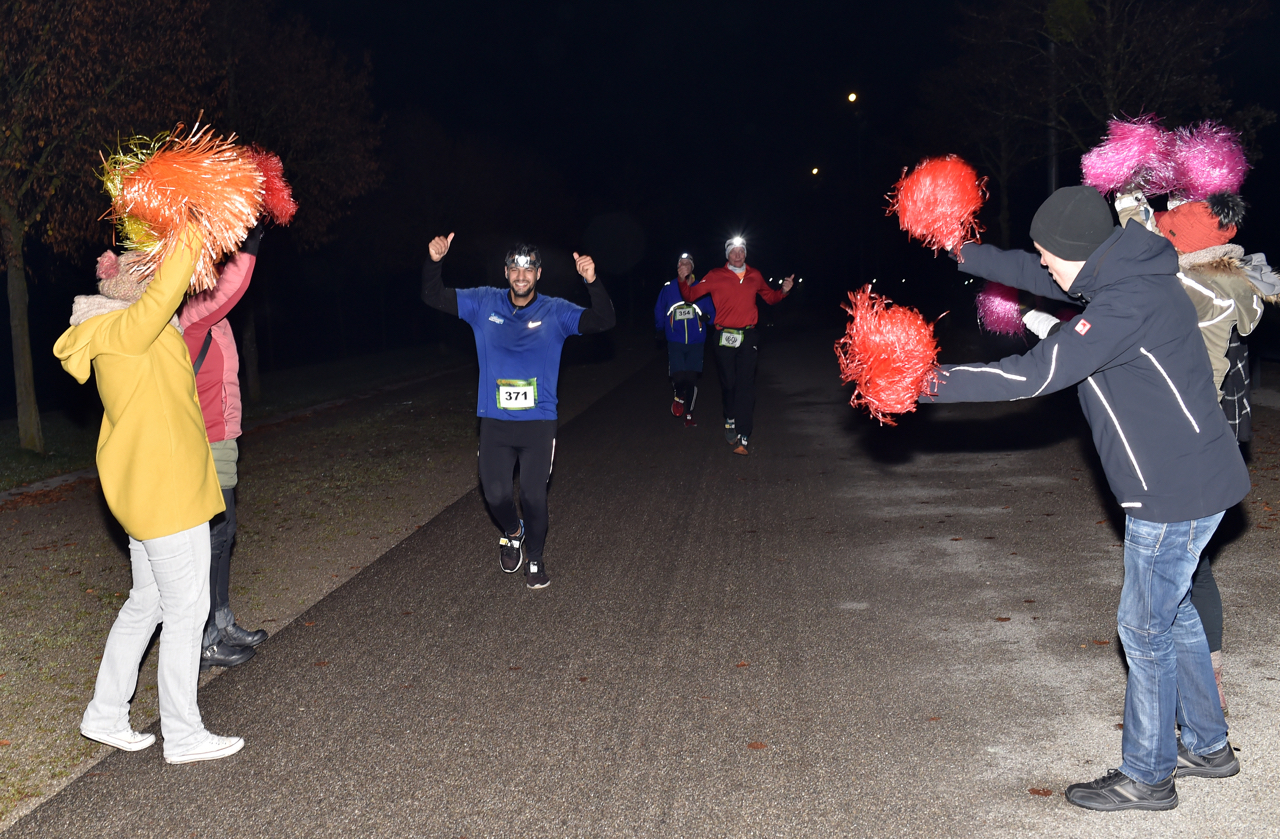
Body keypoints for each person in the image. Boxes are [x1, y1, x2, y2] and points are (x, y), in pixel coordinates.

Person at [930, 186, 1247, 811]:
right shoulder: (1124, 264)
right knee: (1175, 614)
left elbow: (1033, 374)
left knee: (1144, 628)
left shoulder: (1126, 300)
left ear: (1079, 251)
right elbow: (1026, 269)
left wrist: (921, 381)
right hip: (1194, 480)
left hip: (1172, 492)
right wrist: (962, 251)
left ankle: (1148, 777)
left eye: (1050, 255)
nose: (1041, 264)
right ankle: (1208, 746)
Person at [54, 228, 245, 764]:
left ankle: (105, 712)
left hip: (161, 485)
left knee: (150, 601)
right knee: (188, 605)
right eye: (149, 269)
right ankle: (183, 733)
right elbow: (166, 292)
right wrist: (187, 229)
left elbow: (176, 300)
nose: (158, 278)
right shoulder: (123, 329)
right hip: (162, 490)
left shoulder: (140, 328)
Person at [1119, 192, 1280, 714]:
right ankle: (1207, 683)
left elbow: (1138, 257)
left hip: (1182, 443)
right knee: (1193, 566)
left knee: (1176, 575)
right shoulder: (1227, 280)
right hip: (1212, 439)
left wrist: (1129, 208)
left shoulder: (1188, 289)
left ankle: (1192, 694)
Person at [420, 234, 615, 589]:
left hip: (538, 422)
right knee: (494, 494)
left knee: (532, 495)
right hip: (495, 421)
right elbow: (433, 296)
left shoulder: (555, 311)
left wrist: (592, 281)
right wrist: (434, 262)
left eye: (528, 269)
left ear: (538, 274)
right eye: (515, 268)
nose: (521, 275)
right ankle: (513, 531)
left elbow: (603, 320)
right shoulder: (484, 303)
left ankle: (537, 557)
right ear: (506, 272)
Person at [179, 223, 270, 671]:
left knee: (225, 534)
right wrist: (249, 246)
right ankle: (205, 638)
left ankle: (221, 618)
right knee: (211, 540)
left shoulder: (212, 320)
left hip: (224, 439)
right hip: (205, 443)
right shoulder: (193, 318)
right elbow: (231, 289)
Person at [679, 236, 793, 455]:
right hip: (724, 335)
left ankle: (743, 434)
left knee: (746, 385)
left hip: (748, 335)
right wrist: (683, 278)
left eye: (742, 251)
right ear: (727, 255)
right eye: (734, 251)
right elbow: (690, 295)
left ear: (746, 253)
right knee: (729, 383)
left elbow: (770, 298)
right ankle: (730, 417)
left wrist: (784, 291)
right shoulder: (715, 275)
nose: (738, 255)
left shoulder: (754, 275)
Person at [654, 252, 714, 427]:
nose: (684, 266)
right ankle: (678, 395)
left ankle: (689, 415)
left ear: (692, 268)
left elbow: (712, 311)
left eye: (688, 264)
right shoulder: (668, 288)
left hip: (697, 341)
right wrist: (659, 329)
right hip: (675, 339)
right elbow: (659, 309)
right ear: (678, 268)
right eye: (681, 264)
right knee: (679, 377)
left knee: (692, 379)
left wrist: (708, 318)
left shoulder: (701, 287)